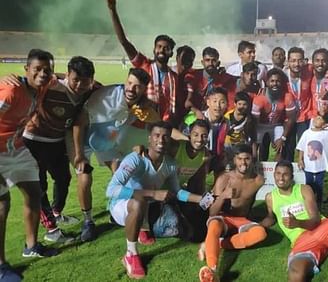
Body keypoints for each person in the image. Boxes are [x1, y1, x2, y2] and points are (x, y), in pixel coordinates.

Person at [106, 121, 213, 279]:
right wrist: (153, 194)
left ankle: (143, 228)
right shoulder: (135, 159)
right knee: (139, 202)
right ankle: (131, 254)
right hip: (121, 206)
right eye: (157, 135)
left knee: (180, 229)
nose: (161, 140)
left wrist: (202, 199)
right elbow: (111, 190)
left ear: (170, 140)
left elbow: (177, 192)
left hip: (149, 209)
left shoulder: (170, 164)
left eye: (165, 137)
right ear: (149, 138)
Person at [72, 68, 160, 242]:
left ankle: (123, 213)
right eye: (129, 83)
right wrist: (79, 154)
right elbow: (79, 122)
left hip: (105, 138)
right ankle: (88, 222)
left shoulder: (141, 105)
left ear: (143, 89)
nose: (131, 89)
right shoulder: (105, 97)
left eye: (137, 87)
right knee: (84, 177)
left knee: (122, 173)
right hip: (83, 136)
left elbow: (156, 121)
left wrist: (149, 106)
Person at [22, 56, 96, 244]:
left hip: (57, 142)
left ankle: (56, 213)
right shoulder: (52, 85)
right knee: (39, 187)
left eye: (84, 81)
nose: (79, 85)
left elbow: (109, 89)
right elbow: (29, 82)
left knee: (63, 179)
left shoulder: (89, 90)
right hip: (34, 140)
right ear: (68, 75)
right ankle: (52, 230)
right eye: (75, 79)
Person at [0, 49, 58, 280]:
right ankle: (0, 265)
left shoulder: (43, 84)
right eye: (38, 69)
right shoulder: (11, 90)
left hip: (17, 147)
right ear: (26, 70)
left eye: (47, 70)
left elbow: (60, 77)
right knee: (2, 204)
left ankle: (31, 246)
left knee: (34, 192)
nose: (43, 74)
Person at [106, 0, 178, 123]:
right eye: (159, 47)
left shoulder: (173, 77)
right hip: (139, 122)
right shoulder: (144, 64)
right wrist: (113, 10)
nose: (162, 50)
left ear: (171, 53)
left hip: (162, 125)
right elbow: (124, 41)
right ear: (154, 49)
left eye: (166, 48)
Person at [198, 144, 266, 282]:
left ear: (252, 159)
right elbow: (212, 212)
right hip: (224, 218)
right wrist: (223, 196)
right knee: (214, 224)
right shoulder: (224, 179)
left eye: (246, 159)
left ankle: (217, 243)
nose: (243, 163)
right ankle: (212, 270)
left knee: (261, 233)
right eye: (240, 159)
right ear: (234, 160)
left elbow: (250, 201)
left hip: (241, 220)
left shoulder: (258, 181)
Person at [252, 69, 296, 161]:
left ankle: (277, 168)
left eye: (278, 81)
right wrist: (256, 139)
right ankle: (255, 166)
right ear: (267, 82)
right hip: (260, 125)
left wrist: (283, 138)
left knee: (280, 146)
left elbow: (291, 118)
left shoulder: (287, 97)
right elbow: (254, 121)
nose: (275, 83)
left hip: (276, 125)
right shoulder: (259, 98)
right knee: (254, 145)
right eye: (272, 81)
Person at [296, 113, 328, 208]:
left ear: (324, 124)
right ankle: (309, 203)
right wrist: (300, 160)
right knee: (309, 184)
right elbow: (302, 147)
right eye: (317, 117)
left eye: (320, 119)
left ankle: (318, 204)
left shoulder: (326, 133)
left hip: (321, 166)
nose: (316, 119)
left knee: (319, 185)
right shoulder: (307, 133)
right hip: (308, 165)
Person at [184, 47, 237, 116]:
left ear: (218, 63)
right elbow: (187, 102)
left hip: (217, 115)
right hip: (195, 113)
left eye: (213, 60)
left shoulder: (225, 78)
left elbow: (240, 80)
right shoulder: (193, 77)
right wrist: (197, 112)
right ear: (202, 62)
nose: (210, 63)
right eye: (207, 60)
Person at [283, 47, 314, 162]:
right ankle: (287, 173)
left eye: (300, 60)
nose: (297, 64)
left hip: (304, 116)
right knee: (288, 149)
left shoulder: (310, 70)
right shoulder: (282, 76)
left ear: (304, 61)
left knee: (305, 148)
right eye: (293, 60)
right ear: (288, 61)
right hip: (288, 118)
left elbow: (324, 66)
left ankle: (306, 176)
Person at [224, 92, 257, 162]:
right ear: (235, 104)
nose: (242, 106)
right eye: (239, 104)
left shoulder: (250, 119)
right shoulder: (227, 117)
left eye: (244, 104)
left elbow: (253, 138)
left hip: (241, 146)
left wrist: (254, 155)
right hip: (228, 146)